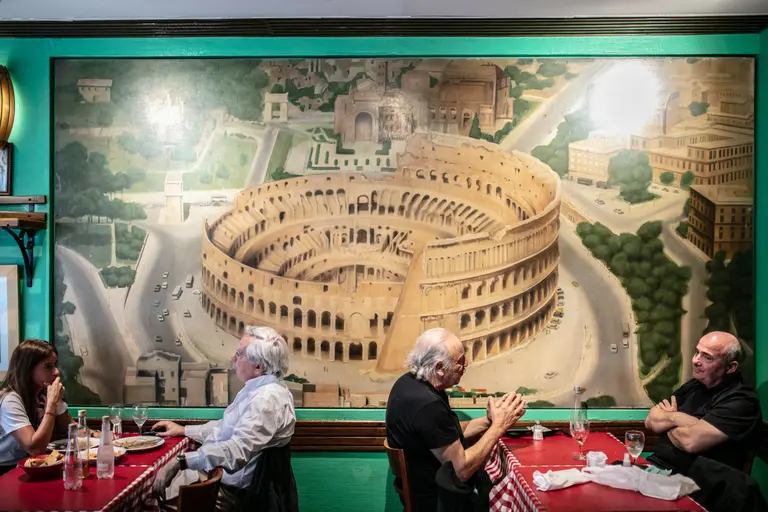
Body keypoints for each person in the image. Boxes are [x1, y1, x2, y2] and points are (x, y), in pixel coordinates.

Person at [152, 326, 296, 512]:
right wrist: (184, 430)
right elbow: (225, 427)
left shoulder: (264, 400)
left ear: (258, 366)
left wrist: (181, 461)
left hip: (235, 496)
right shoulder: (261, 389)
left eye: (239, 354)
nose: (233, 358)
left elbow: (237, 450)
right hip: (230, 484)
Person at [386, 328, 526, 512]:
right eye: (459, 361)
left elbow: (445, 435)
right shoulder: (426, 405)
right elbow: (461, 471)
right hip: (438, 501)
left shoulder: (411, 383)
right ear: (439, 368)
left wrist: (489, 420)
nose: (465, 365)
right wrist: (499, 427)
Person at [645, 331, 762, 474]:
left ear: (731, 367)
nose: (695, 360)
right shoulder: (694, 385)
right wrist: (678, 418)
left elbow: (690, 442)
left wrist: (668, 421)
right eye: (697, 352)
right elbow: (650, 420)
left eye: (707, 357)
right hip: (658, 467)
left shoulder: (742, 401)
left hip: (698, 482)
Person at [0, 339, 71, 475]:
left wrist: (96, 434)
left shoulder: (44, 393)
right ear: (28, 368)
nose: (56, 372)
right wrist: (51, 404)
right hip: (5, 469)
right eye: (48, 366)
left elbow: (68, 426)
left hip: (30, 463)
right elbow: (35, 448)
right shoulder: (10, 399)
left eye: (55, 365)